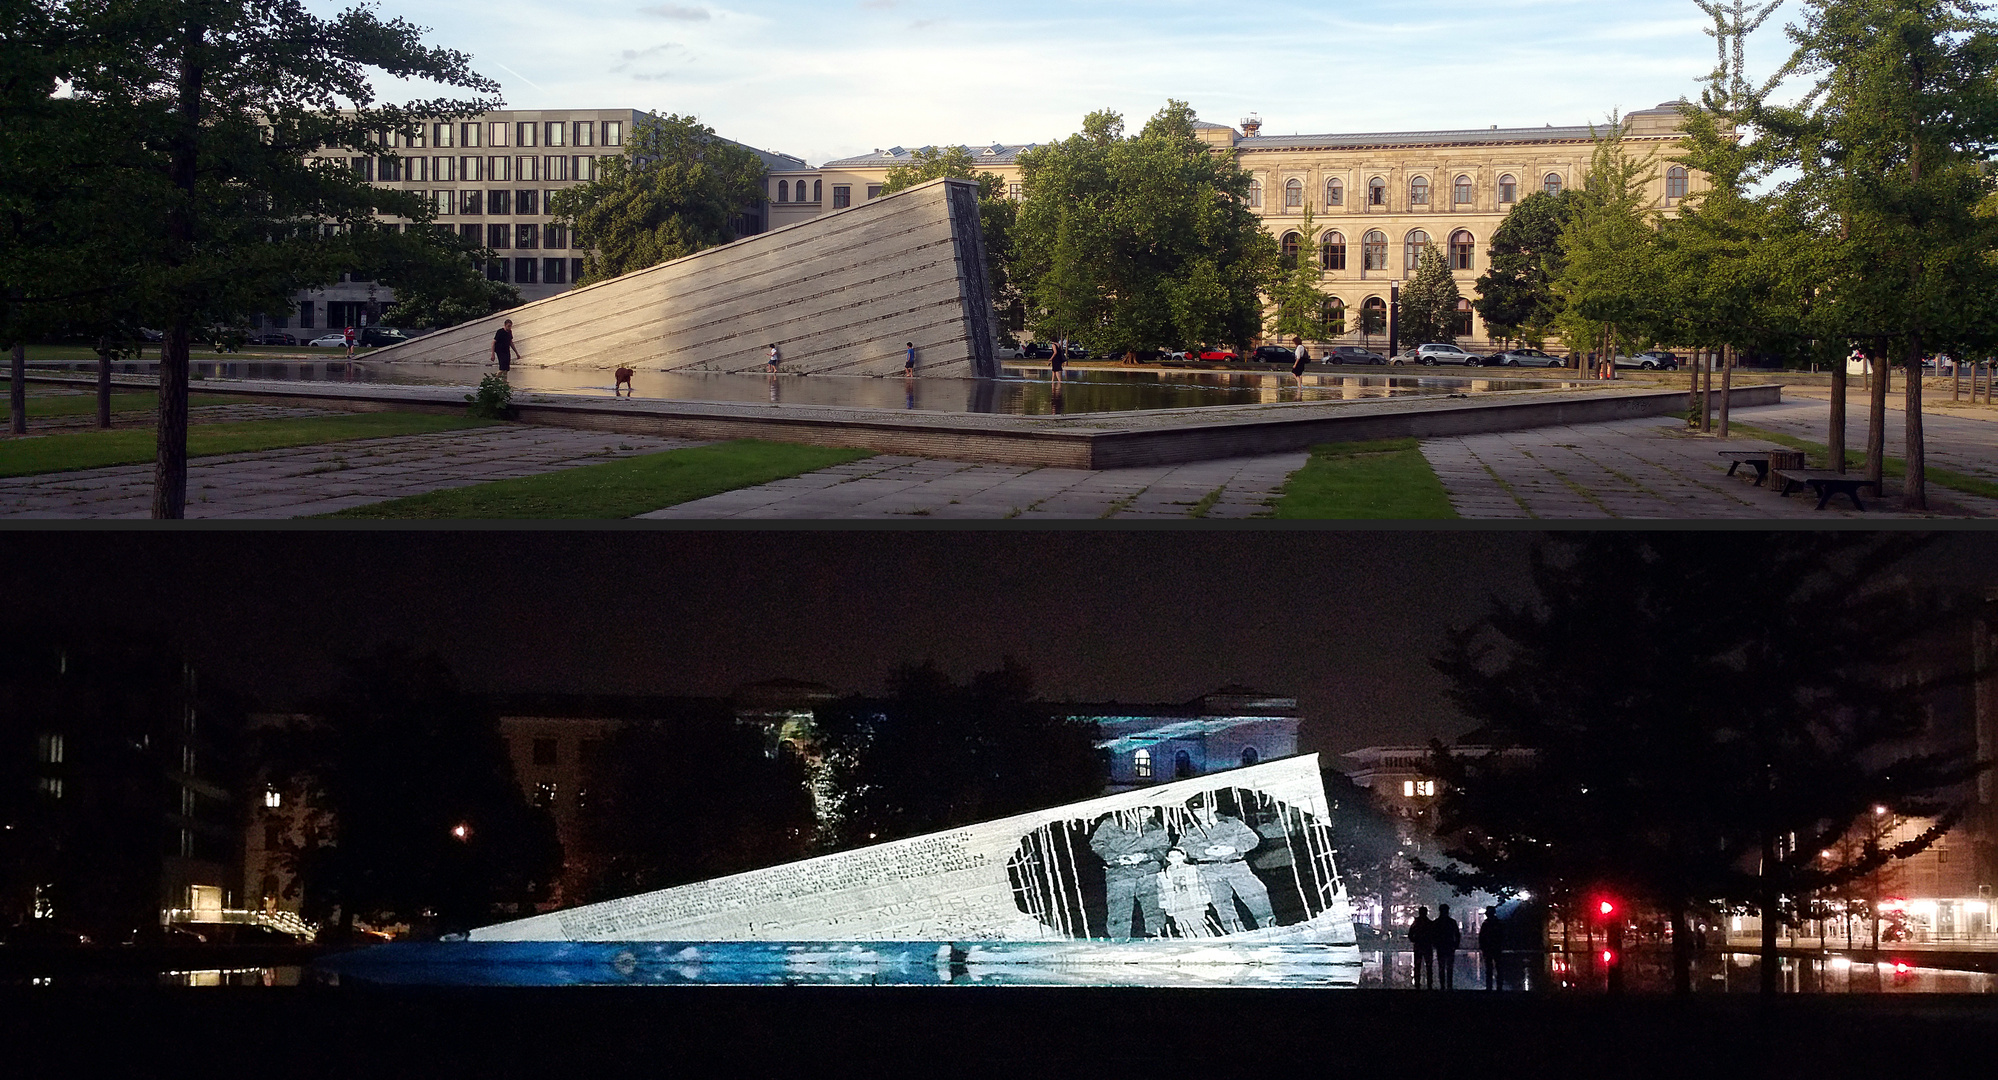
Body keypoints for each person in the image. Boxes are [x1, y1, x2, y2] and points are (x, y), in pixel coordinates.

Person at [1177, 794, 1274, 934]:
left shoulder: (1233, 823)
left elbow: (1252, 839)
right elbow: (1184, 848)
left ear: (1213, 807)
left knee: (1256, 895)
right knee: (1221, 903)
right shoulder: (1189, 829)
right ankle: (1236, 933)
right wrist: (1204, 851)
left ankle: (1268, 928)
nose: (1201, 814)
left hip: (1236, 865)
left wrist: (1234, 848)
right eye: (1197, 811)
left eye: (1205, 809)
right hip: (1209, 869)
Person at [1088, 809, 1169, 941]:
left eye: (1148, 810)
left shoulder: (1157, 828)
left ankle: (1156, 935)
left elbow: (1164, 848)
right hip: (1120, 871)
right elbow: (1097, 843)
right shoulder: (1111, 823)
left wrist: (1146, 856)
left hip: (1148, 871)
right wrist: (1117, 857)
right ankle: (1119, 939)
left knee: (1153, 905)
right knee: (1119, 906)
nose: (1144, 814)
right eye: (1141, 810)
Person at [1154, 848, 1213, 937]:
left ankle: (1205, 940)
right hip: (1176, 903)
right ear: (1168, 859)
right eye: (1172, 857)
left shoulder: (1191, 869)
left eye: (1178, 856)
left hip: (1193, 900)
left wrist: (1204, 897)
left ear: (1183, 856)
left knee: (1198, 923)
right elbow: (1161, 889)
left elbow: (1202, 883)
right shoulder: (1165, 873)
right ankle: (1189, 941)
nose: (1175, 859)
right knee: (1182, 925)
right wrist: (1164, 903)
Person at [1435, 903, 1462, 989]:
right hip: (1449, 946)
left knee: (1441, 966)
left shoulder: (1437, 922)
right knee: (1449, 966)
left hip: (1441, 946)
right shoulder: (1451, 922)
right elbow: (1457, 934)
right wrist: (1456, 944)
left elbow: (1433, 934)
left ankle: (1442, 985)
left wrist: (1435, 944)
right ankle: (1449, 984)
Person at [1479, 905, 1505, 990]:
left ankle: (1490, 985)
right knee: (1498, 966)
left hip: (1489, 947)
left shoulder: (1486, 924)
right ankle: (1498, 984)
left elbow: (1482, 936)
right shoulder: (1498, 923)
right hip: (1495, 947)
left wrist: (1482, 946)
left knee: (1490, 966)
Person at [1409, 906, 1436, 989]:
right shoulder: (1430, 923)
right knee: (1428, 965)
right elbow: (1434, 935)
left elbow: (1410, 934)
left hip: (1419, 946)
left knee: (1418, 965)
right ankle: (1429, 982)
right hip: (1427, 946)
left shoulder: (1416, 923)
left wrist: (1415, 940)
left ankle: (1418, 982)